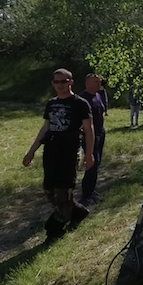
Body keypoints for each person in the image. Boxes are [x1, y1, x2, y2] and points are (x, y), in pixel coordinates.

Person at [23, 68, 94, 243]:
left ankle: (53, 230)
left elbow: (88, 129)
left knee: (63, 190)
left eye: (63, 81)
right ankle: (77, 211)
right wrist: (31, 151)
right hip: (52, 150)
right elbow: (45, 128)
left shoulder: (80, 103)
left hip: (69, 151)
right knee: (49, 189)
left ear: (71, 82)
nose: (60, 85)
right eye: (56, 82)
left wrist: (89, 153)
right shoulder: (51, 103)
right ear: (53, 83)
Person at [78, 74, 106, 206]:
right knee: (91, 163)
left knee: (97, 162)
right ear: (87, 83)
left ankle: (92, 190)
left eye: (99, 81)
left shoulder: (98, 95)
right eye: (96, 81)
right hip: (89, 135)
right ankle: (85, 195)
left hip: (100, 133)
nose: (98, 83)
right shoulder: (82, 99)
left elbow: (100, 112)